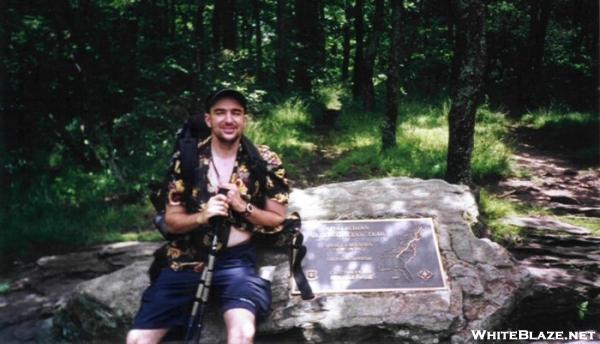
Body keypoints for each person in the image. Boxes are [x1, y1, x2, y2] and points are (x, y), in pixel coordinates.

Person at [127, 89, 290, 344]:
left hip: (236, 263)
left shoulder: (264, 160)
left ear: (244, 119)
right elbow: (172, 221)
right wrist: (201, 217)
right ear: (208, 119)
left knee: (242, 334)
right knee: (137, 339)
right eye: (220, 112)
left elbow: (277, 218)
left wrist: (241, 205)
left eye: (236, 113)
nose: (228, 119)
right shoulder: (188, 159)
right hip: (186, 260)